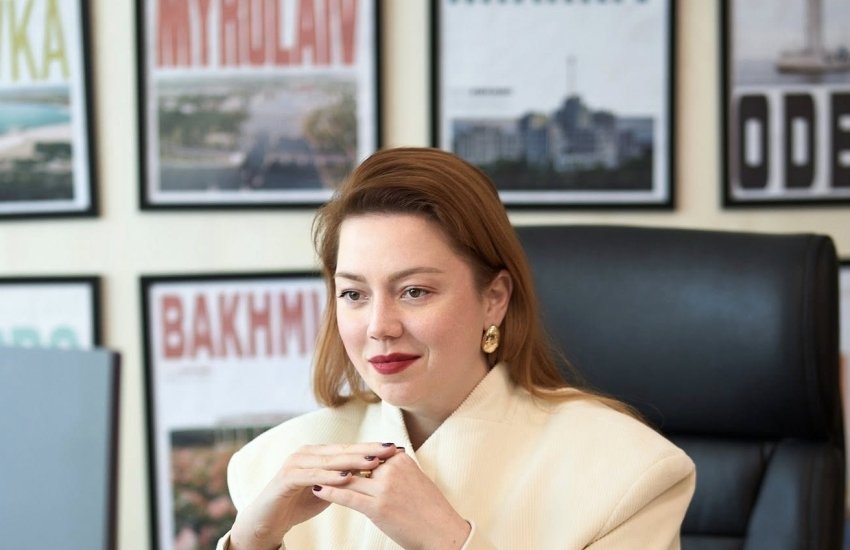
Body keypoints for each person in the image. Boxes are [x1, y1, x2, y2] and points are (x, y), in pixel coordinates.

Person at [217, 147, 696, 550]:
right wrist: (251, 542)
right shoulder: (270, 464)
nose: (379, 327)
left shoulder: (631, 473)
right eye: (354, 294)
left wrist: (448, 541)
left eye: (414, 291)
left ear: (494, 299)